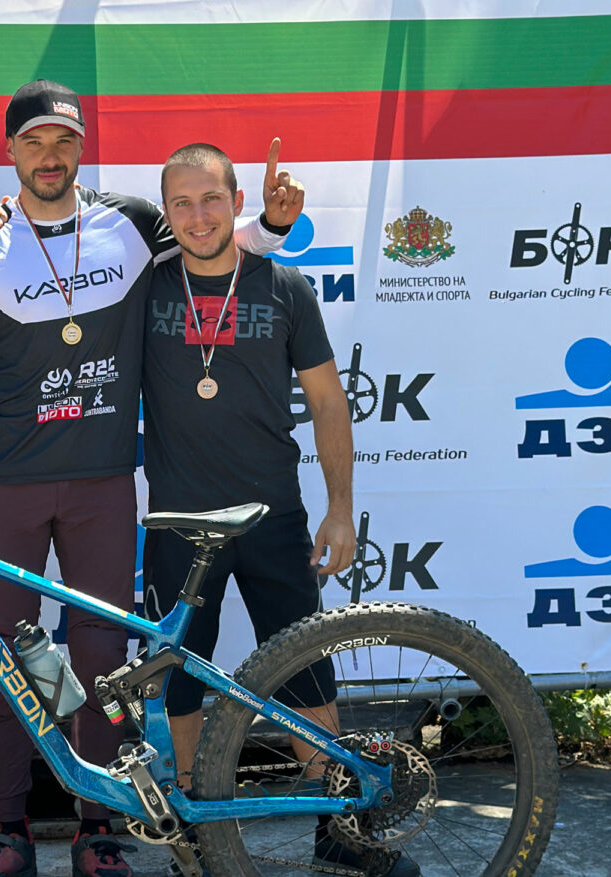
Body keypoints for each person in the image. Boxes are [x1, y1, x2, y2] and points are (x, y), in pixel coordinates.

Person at [0, 79, 303, 877]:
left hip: (104, 483)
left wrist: (275, 224)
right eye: (34, 143)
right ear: (11, 151)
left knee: (103, 664)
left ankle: (98, 829)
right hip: (5, 482)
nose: (50, 157)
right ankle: (8, 830)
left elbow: (223, 243)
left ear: (81, 147)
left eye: (64, 141)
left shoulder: (133, 221)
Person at [140, 143, 418, 876]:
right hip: (178, 524)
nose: (199, 216)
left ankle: (338, 827)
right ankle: (194, 829)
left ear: (237, 203)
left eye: (212, 199)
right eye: (182, 203)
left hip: (274, 516)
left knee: (305, 670)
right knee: (180, 673)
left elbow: (328, 402)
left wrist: (341, 509)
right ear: (166, 213)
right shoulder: (146, 284)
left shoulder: (285, 286)